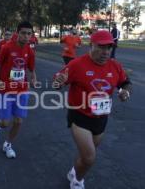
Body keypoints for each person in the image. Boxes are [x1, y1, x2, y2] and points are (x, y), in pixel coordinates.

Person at [52, 30, 131, 189]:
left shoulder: (115, 65)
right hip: (79, 116)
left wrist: (125, 91)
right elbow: (57, 82)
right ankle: (77, 181)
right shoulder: (77, 64)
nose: (105, 52)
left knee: (85, 155)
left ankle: (73, 172)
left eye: (109, 47)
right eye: (101, 47)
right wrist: (58, 82)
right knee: (89, 158)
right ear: (91, 45)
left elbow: (125, 82)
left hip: (101, 117)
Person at [0, 21, 37, 159]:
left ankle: (8, 144)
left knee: (18, 121)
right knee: (5, 123)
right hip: (6, 90)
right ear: (17, 33)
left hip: (22, 90)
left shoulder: (29, 50)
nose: (26, 36)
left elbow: (31, 69)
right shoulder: (7, 48)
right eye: (23, 33)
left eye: (29, 34)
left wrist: (34, 78)